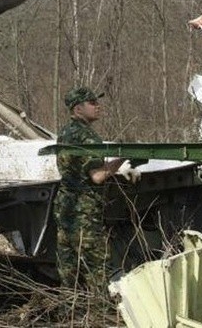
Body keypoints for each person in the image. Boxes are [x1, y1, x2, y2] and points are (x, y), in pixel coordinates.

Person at [54, 86, 135, 290]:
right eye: (92, 103)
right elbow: (98, 176)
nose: (98, 107)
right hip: (85, 212)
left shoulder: (65, 132)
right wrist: (123, 158)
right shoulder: (87, 137)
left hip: (65, 208)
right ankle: (99, 312)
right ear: (78, 109)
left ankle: (69, 312)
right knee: (97, 266)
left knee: (68, 267)